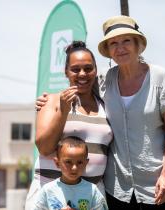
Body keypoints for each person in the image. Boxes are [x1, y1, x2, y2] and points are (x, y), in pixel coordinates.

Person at [36, 15, 165, 210]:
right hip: (116, 190)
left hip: (156, 186)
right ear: (109, 51)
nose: (120, 48)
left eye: (126, 41)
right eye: (113, 43)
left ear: (138, 44)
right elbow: (80, 80)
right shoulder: (105, 80)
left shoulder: (161, 78)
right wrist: (49, 100)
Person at [25, 41, 113, 209]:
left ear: (95, 71)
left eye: (88, 68)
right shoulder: (51, 101)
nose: (82, 74)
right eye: (75, 69)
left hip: (90, 198)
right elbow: (44, 147)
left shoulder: (105, 105)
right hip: (51, 195)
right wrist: (63, 111)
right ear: (66, 72)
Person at [31, 136, 108, 210]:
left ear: (86, 163)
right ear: (57, 163)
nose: (74, 168)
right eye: (68, 162)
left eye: (80, 162)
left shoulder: (92, 191)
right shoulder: (48, 190)